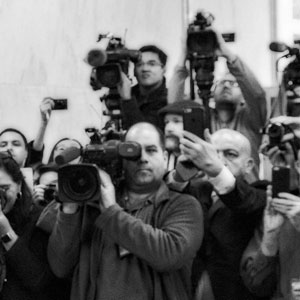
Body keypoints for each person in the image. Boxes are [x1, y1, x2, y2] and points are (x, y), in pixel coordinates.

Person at [48, 122, 203, 300]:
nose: (142, 158)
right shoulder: (91, 206)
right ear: (121, 159)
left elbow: (169, 254)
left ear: (166, 157)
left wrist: (112, 211)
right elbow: (60, 267)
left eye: (151, 150)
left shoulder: (184, 205)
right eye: (132, 151)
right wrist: (70, 205)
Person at [170, 128, 266, 299]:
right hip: (188, 289)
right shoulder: (196, 190)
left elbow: (243, 201)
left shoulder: (260, 191)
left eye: (230, 154)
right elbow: (167, 202)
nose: (219, 160)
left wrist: (216, 169)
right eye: (213, 153)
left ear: (249, 165)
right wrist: (180, 175)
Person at [168, 28, 267, 178]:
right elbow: (174, 107)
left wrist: (228, 54)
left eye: (233, 84)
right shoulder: (203, 116)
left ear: (243, 95)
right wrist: (183, 57)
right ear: (213, 91)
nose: (227, 85)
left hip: (246, 192)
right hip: (210, 191)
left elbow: (257, 95)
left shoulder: (250, 119)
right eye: (222, 83)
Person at [0, 151, 69, 300]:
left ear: (18, 186)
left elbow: (41, 283)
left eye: (4, 188)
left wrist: (6, 232)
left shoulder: (40, 219)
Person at [117, 45, 168, 130]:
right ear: (134, 71)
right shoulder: (125, 93)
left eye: (152, 64)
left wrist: (127, 100)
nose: (145, 69)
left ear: (163, 69)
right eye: (139, 64)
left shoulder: (170, 100)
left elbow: (144, 135)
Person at [0, 98, 55, 167]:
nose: (9, 148)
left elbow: (35, 153)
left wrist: (43, 123)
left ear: (26, 153)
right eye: (3, 145)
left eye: (16, 144)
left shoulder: (32, 175)